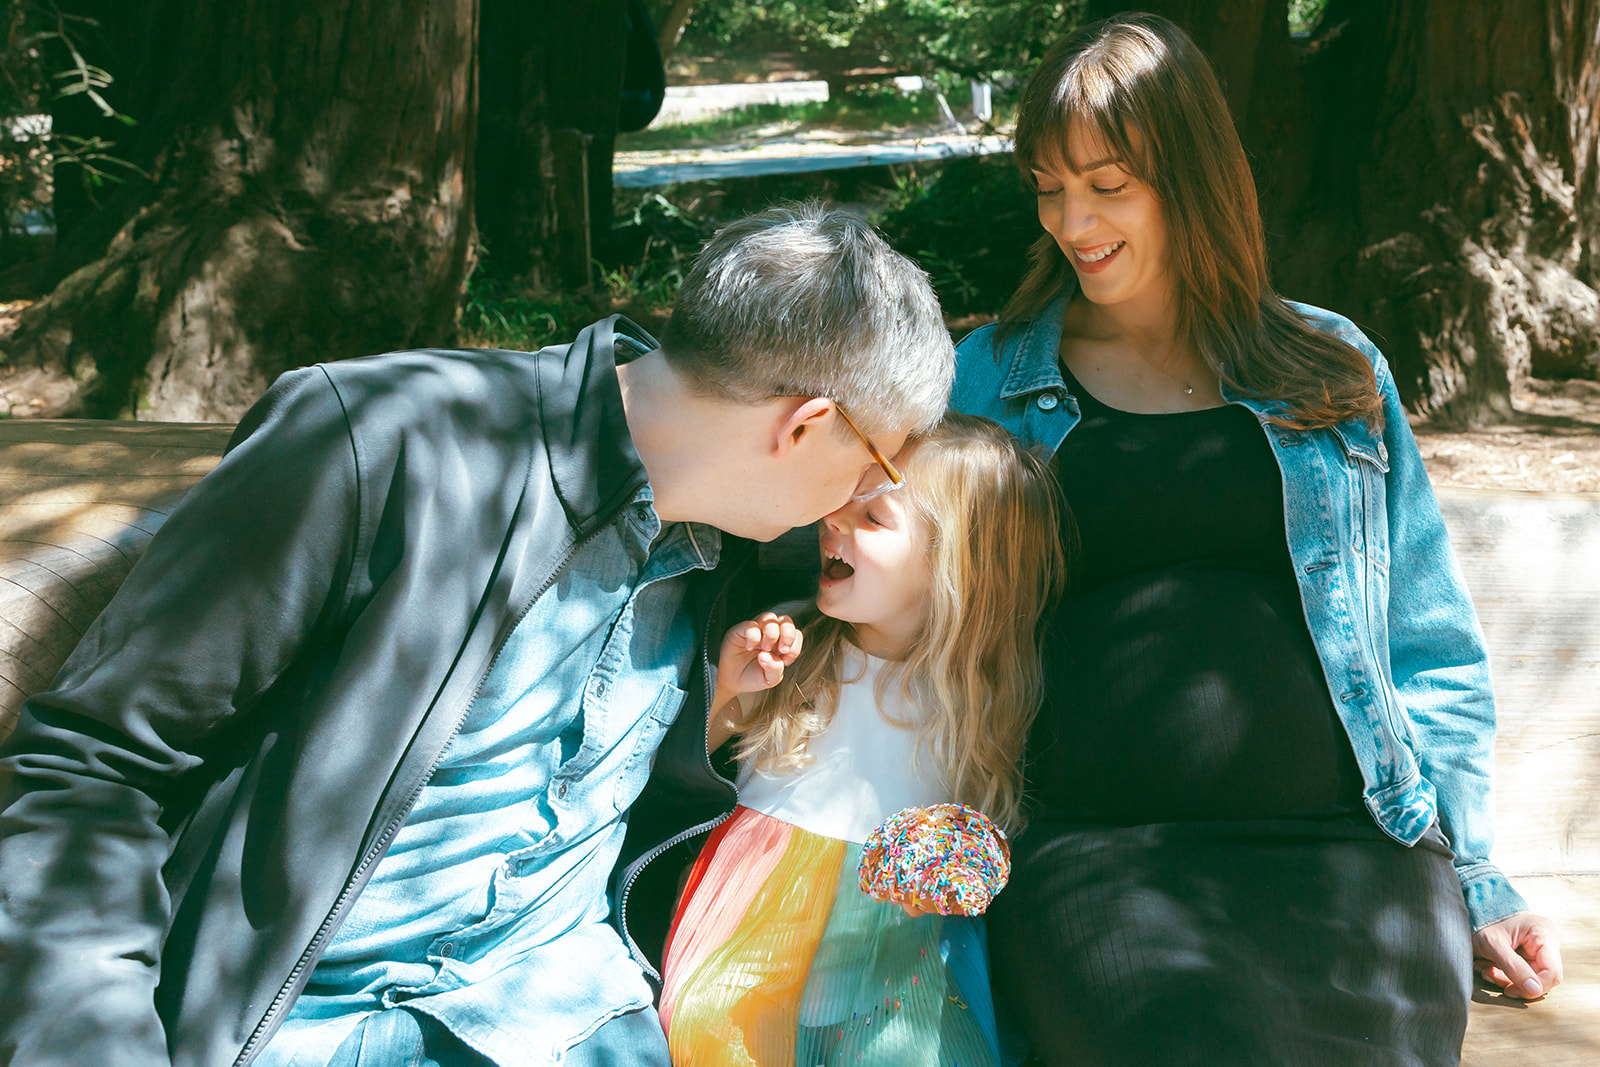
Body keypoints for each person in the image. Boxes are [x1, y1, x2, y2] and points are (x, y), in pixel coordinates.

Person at [0, 202, 956, 1067]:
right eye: (876, 465)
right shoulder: (382, 441)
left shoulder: (743, 554)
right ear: (805, 424)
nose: (861, 502)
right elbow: (94, 761)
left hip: (571, 1010)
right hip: (309, 1023)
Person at [947, 14, 1564, 1066]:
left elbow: (1425, 639)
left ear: (1189, 177)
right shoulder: (991, 379)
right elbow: (913, 610)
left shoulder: (1328, 364)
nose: (1070, 220)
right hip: (1094, 854)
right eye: (1048, 186)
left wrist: (1475, 876)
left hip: (1347, 849)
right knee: (1179, 1040)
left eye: (1105, 184)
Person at [654, 414, 1063, 1067]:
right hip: (759, 894)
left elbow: (982, 831)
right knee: (712, 1028)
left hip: (900, 919)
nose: (835, 517)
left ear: (953, 567)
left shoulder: (974, 698)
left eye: (873, 517)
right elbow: (700, 756)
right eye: (846, 494)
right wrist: (731, 689)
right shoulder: (795, 646)